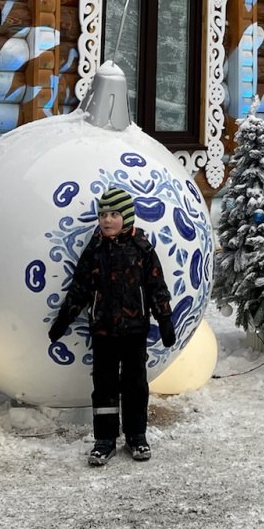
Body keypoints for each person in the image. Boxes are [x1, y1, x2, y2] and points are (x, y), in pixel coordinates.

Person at [47, 187, 176, 465]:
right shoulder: (95, 249)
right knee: (104, 385)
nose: (107, 220)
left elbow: (156, 287)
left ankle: (136, 435)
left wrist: (164, 319)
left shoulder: (142, 247)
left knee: (135, 384)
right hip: (103, 330)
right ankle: (104, 439)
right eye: (103, 214)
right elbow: (80, 288)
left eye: (114, 214)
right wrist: (64, 320)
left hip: (134, 330)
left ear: (126, 217)